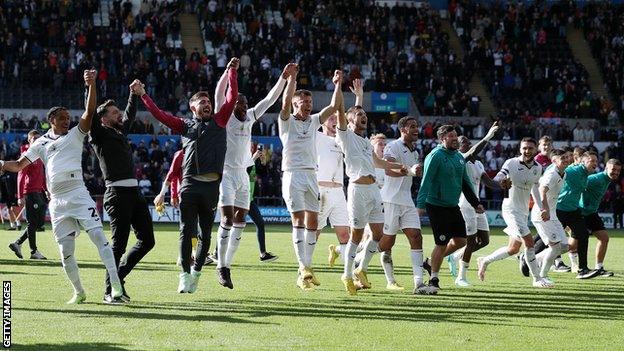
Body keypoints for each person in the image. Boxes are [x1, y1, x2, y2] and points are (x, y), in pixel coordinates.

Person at [0, 70, 123, 304]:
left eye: (68, 117)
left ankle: (116, 286)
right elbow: (17, 165)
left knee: (98, 236)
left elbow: (89, 112)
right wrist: (2, 165)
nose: (68, 120)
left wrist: (91, 85)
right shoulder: (40, 143)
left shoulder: (76, 135)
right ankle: (79, 292)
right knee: (65, 251)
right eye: (63, 117)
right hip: (57, 201)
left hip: (78, 192)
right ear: (52, 119)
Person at [135, 57, 239, 293]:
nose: (207, 104)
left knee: (205, 235)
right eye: (201, 102)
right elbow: (160, 115)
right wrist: (143, 95)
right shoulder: (185, 125)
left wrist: (232, 72)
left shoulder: (220, 121)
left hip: (212, 187)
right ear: (193, 108)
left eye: (208, 102)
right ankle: (184, 274)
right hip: (190, 186)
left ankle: (197, 273)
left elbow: (232, 98)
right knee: (185, 232)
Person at [213, 63, 293, 288]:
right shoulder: (225, 116)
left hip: (243, 174)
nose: (244, 107)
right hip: (227, 173)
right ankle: (221, 265)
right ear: (233, 103)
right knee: (227, 219)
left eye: (246, 104)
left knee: (240, 221)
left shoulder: (249, 116)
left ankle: (226, 266)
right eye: (240, 103)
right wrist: (228, 73)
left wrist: (283, 78)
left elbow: (269, 99)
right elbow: (219, 93)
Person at [333, 73, 409, 295]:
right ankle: (347, 275)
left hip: (374, 190)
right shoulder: (345, 136)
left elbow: (378, 162)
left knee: (378, 234)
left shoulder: (366, 142)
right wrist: (339, 87)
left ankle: (361, 270)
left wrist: (399, 168)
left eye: (365, 114)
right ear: (349, 122)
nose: (364, 116)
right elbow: (342, 113)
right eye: (360, 115)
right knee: (356, 236)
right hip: (357, 191)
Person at [89, 81, 156, 303]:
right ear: (103, 119)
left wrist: (133, 95)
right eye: (114, 113)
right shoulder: (98, 134)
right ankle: (110, 291)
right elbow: (90, 112)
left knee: (148, 240)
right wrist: (90, 86)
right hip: (117, 195)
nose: (120, 116)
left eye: (119, 112)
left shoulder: (118, 132)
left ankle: (118, 278)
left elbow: (129, 114)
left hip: (134, 194)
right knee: (118, 244)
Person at [278, 65, 341, 290]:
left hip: (311, 175)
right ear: (296, 104)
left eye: (310, 103)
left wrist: (337, 84)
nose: (308, 106)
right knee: (298, 220)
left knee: (313, 223)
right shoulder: (286, 121)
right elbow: (284, 104)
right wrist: (292, 79)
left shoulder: (314, 121)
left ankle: (306, 267)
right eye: (304, 103)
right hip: (293, 175)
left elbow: (334, 106)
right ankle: (304, 267)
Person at [416, 125, 484, 294]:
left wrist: (476, 203)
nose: (455, 138)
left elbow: (465, 183)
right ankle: (434, 279)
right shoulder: (435, 156)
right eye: (451, 136)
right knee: (441, 243)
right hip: (436, 206)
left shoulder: (459, 157)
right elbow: (426, 181)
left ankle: (431, 262)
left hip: (453, 206)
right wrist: (420, 205)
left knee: (462, 241)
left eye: (456, 136)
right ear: (442, 139)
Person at [477, 138, 550, 288]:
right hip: (510, 209)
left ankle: (485, 260)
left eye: (530, 148)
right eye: (524, 148)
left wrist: (541, 206)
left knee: (513, 249)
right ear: (520, 149)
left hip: (523, 211)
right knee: (529, 242)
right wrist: (499, 181)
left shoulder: (538, 168)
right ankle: (537, 278)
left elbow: (535, 188)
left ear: (535, 149)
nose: (527, 151)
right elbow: (499, 175)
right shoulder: (511, 163)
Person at [378, 115, 428, 294]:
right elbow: (389, 170)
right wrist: (410, 172)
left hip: (406, 200)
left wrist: (417, 172)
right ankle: (361, 257)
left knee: (416, 236)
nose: (417, 129)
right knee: (386, 243)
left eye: (417, 126)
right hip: (390, 199)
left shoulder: (414, 151)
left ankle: (419, 284)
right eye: (412, 126)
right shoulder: (393, 146)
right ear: (403, 129)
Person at [446, 135, 501, 287]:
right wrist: (489, 136)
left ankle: (455, 255)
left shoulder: (478, 164)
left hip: (477, 205)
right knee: (470, 241)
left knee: (484, 240)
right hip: (465, 204)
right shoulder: (460, 160)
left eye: (469, 142)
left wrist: (502, 185)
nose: (468, 145)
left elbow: (487, 181)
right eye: (464, 142)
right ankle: (461, 277)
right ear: (458, 146)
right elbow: (472, 151)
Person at [529, 148, 573, 287]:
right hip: (542, 215)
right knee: (554, 248)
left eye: (567, 157)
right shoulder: (552, 174)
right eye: (563, 158)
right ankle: (542, 277)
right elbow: (542, 190)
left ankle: (530, 259)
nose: (566, 160)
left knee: (565, 246)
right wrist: (545, 209)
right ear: (554, 160)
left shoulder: (563, 173)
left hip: (552, 214)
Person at [154, 149, 203, 267]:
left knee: (195, 227)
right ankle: (185, 255)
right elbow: (173, 174)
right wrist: (171, 194)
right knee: (187, 227)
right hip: (185, 195)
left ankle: (193, 254)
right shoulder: (180, 155)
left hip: (200, 194)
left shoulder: (202, 151)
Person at [558, 151, 600, 279]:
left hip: (573, 211)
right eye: (592, 161)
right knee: (545, 239)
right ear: (583, 162)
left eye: (596, 161)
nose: (595, 164)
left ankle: (583, 270)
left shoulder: (586, 175)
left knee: (583, 234)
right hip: (560, 209)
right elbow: (556, 172)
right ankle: (527, 256)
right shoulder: (574, 171)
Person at [8, 130, 48, 260]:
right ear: (29, 141)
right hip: (30, 192)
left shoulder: (40, 155)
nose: (37, 140)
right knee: (33, 222)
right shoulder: (27, 155)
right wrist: (20, 196)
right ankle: (33, 251)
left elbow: (41, 175)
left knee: (38, 223)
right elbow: (21, 175)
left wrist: (45, 189)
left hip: (38, 192)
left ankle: (18, 243)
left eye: (39, 138)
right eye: (34, 138)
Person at [578, 158, 622, 276]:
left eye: (618, 171)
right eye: (613, 169)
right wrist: (582, 201)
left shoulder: (607, 180)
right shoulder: (596, 178)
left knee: (604, 238)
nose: (616, 173)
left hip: (591, 213)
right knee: (572, 245)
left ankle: (599, 268)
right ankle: (541, 256)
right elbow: (578, 185)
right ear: (606, 168)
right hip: (580, 213)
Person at [247, 144, 278, 263]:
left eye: (252, 148)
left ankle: (263, 254)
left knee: (260, 223)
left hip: (248, 200)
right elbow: (243, 172)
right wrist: (253, 158)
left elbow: (263, 174)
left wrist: (263, 162)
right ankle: (217, 253)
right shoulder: (243, 160)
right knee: (229, 225)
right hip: (238, 199)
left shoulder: (252, 161)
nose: (252, 149)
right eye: (249, 147)